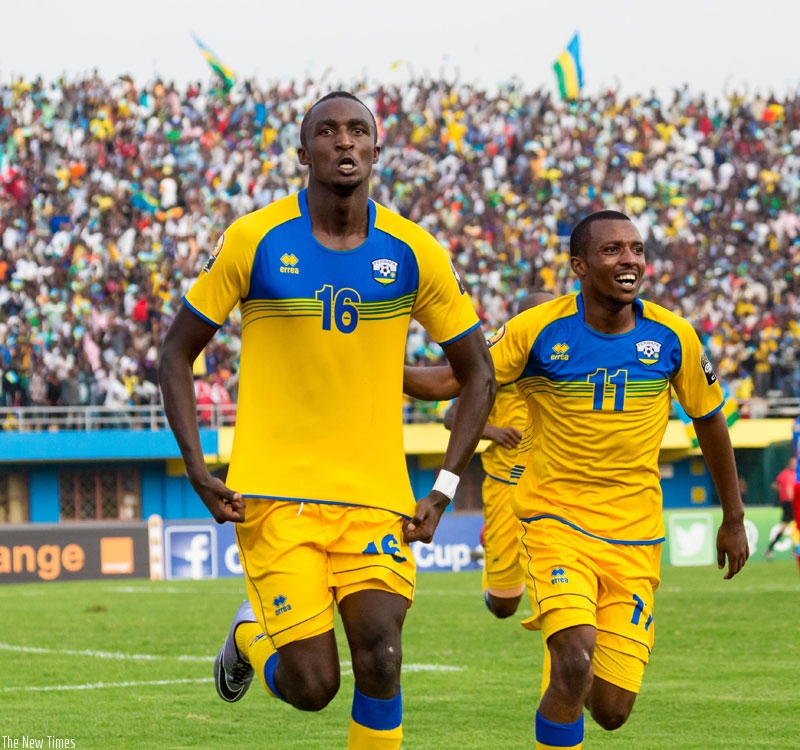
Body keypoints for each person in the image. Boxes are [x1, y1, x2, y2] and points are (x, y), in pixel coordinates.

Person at [157, 91, 495, 750]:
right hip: (274, 496)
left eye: (358, 131)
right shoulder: (254, 239)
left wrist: (446, 488)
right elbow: (176, 352)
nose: (345, 142)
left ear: (376, 147)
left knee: (382, 660)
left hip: (376, 498)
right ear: (304, 150)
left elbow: (476, 374)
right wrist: (198, 468)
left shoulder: (413, 251)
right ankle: (249, 637)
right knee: (314, 686)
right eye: (329, 131)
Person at [403, 209, 749, 749]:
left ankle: (572, 683)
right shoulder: (537, 330)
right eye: (612, 250)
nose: (628, 259)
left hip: (636, 538)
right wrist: (378, 367)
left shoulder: (674, 335)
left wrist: (733, 518)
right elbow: (458, 380)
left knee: (611, 709)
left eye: (636, 249)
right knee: (572, 657)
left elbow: (710, 421)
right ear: (579, 266)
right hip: (555, 522)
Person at [442, 291, 553, 619]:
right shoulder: (496, 357)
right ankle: (492, 541)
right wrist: (493, 431)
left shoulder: (573, 355)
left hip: (556, 483)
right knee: (504, 607)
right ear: (519, 321)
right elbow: (451, 416)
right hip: (505, 484)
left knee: (559, 595)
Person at [765, 456, 797, 560]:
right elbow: (788, 488)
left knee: (784, 527)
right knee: (796, 526)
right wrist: (792, 499)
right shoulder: (789, 475)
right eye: (794, 463)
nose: (795, 465)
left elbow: (774, 485)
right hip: (790, 503)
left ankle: (769, 549)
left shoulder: (784, 473)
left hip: (785, 503)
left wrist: (780, 490)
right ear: (790, 464)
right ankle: (796, 550)